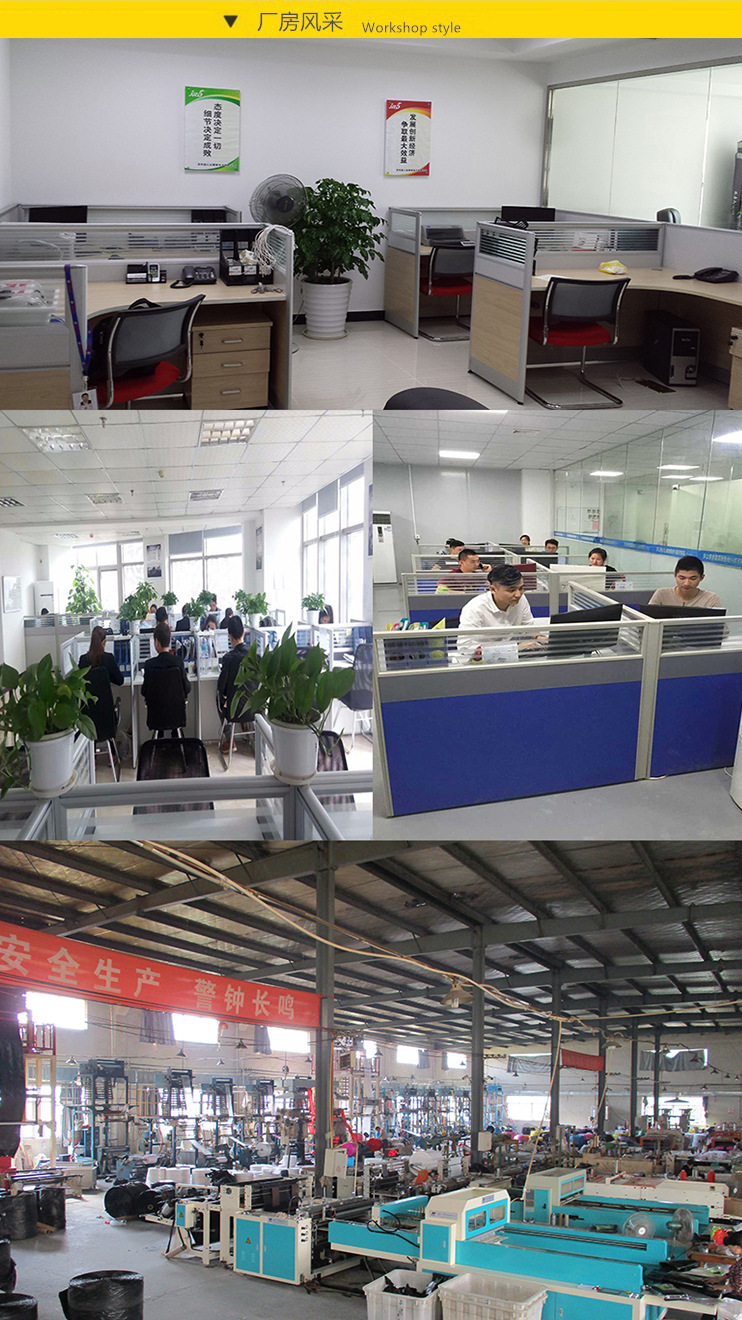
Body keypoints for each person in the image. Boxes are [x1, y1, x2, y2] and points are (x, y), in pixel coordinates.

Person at [457, 564, 538, 661]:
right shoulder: (475, 608)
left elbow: (528, 627)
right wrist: (515, 649)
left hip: (511, 660)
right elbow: (465, 648)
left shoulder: (521, 600)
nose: (518, 594)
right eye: (511, 590)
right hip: (482, 663)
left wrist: (539, 637)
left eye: (521, 588)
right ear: (493, 589)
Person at [141, 622, 191, 732]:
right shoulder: (178, 662)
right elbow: (187, 688)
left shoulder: (149, 665)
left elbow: (144, 691)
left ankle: (159, 739)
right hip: (176, 715)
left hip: (156, 717)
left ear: (156, 642)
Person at [648, 555, 722, 610]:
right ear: (675, 575)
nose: (686, 583)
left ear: (701, 577)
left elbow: (719, 625)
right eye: (682, 578)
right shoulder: (661, 594)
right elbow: (647, 620)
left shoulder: (711, 599)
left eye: (693, 578)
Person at [217, 615, 251, 721]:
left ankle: (227, 730)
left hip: (233, 711)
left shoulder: (228, 658)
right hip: (253, 708)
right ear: (243, 633)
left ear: (230, 637)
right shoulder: (255, 655)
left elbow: (222, 687)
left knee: (218, 697)